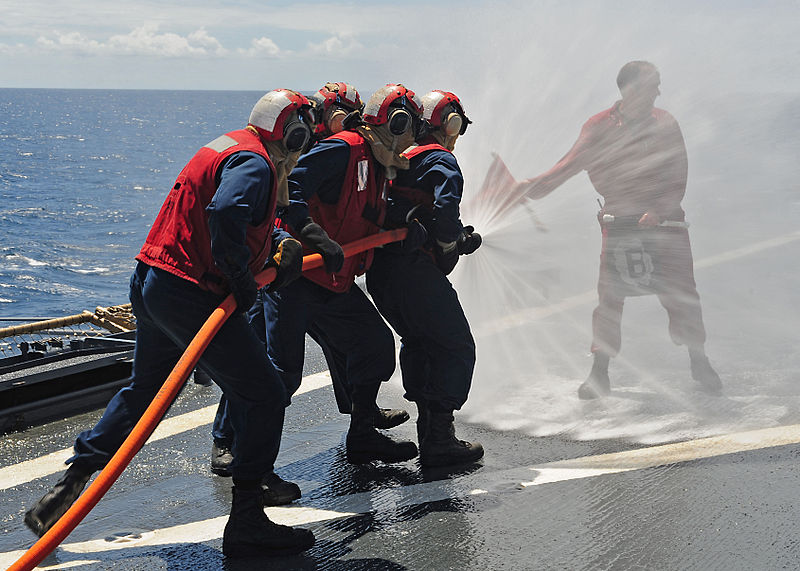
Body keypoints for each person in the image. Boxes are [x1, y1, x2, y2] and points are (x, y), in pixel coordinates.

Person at [24, 89, 317, 558]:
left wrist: (278, 242)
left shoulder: (233, 146)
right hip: (190, 293)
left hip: (155, 281)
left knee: (145, 391)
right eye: (305, 130)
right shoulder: (258, 164)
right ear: (293, 131)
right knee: (263, 391)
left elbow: (233, 214)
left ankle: (71, 480)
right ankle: (247, 519)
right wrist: (241, 277)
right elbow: (224, 212)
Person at [209, 82, 411, 490]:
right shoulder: (342, 150)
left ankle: (362, 433)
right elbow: (291, 191)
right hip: (294, 277)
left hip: (331, 278)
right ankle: (240, 456)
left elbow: (366, 211)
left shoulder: (375, 161)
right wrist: (312, 234)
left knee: (372, 342)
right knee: (275, 374)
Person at [515, 61, 722, 399]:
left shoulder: (665, 123)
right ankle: (599, 375)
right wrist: (529, 187)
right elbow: (568, 165)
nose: (658, 91)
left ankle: (699, 361)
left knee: (682, 294)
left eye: (658, 84)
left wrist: (658, 210)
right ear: (630, 89)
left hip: (667, 224)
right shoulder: (597, 126)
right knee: (610, 299)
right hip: (619, 224)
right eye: (652, 85)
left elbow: (677, 174)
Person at [366, 90, 485, 468]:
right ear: (450, 124)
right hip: (413, 273)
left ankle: (428, 430)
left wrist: (448, 238)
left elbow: (416, 212)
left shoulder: (402, 158)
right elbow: (445, 208)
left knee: (418, 342)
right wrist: (451, 243)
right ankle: (439, 438)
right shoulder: (440, 159)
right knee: (454, 345)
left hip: (382, 273)